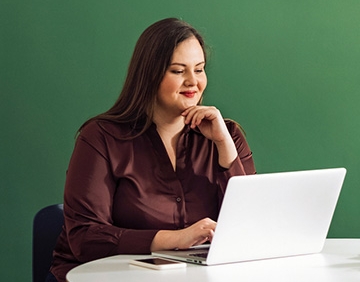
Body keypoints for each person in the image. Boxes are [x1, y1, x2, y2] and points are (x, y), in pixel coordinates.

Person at [47, 18, 256, 282]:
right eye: (178, 71)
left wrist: (225, 148)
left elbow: (251, 230)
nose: (193, 82)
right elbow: (85, 237)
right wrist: (173, 239)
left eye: (200, 69)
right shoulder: (101, 137)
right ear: (150, 74)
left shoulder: (226, 135)